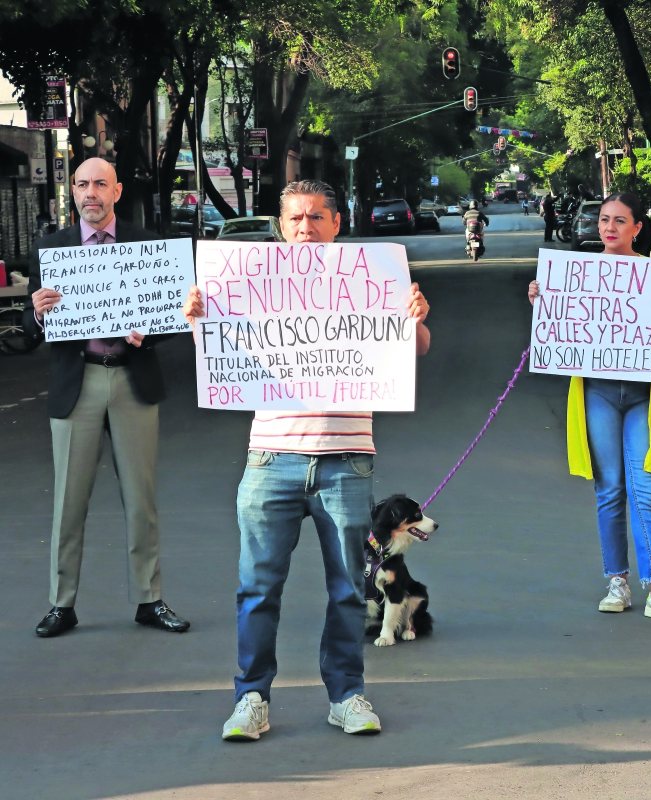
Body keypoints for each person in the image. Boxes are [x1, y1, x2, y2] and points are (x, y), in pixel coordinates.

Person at [181, 180, 432, 741]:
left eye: (317, 217)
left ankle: (347, 695)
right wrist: (199, 317)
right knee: (257, 588)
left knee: (348, 587)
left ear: (337, 223)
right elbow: (222, 357)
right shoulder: (249, 283)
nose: (305, 228)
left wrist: (414, 316)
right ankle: (251, 699)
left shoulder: (372, 280)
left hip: (346, 460)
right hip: (271, 458)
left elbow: (415, 349)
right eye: (295, 218)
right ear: (281, 224)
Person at [24, 157, 190, 638]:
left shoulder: (145, 245)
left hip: (132, 380)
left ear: (116, 191)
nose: (90, 192)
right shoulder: (51, 249)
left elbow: (173, 314)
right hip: (79, 382)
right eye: (81, 184)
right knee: (68, 502)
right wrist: (35, 313)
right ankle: (62, 603)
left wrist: (150, 333)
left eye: (100, 183)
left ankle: (149, 598)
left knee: (142, 499)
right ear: (72, 191)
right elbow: (31, 330)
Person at [528, 191, 651, 622]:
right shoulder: (576, 274)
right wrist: (542, 301)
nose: (609, 227)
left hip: (644, 396)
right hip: (597, 392)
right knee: (609, 490)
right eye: (605, 219)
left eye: (620, 221)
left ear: (638, 228)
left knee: (645, 490)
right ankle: (617, 580)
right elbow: (562, 326)